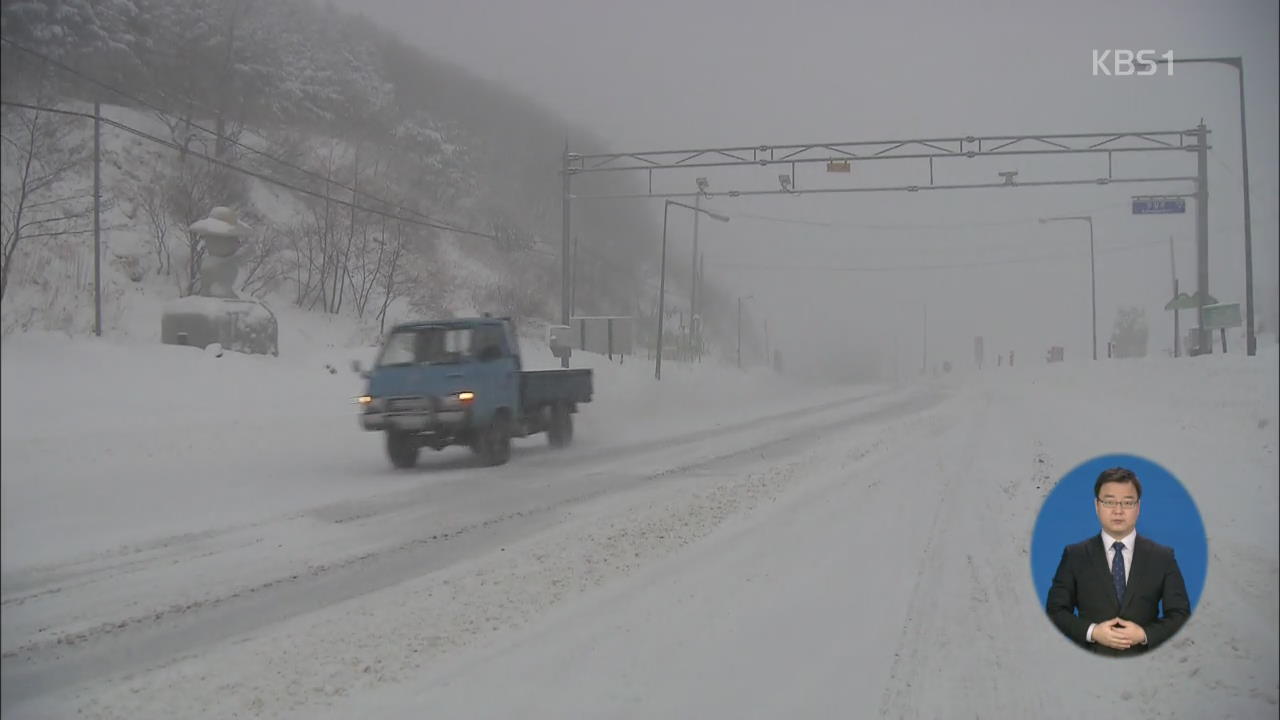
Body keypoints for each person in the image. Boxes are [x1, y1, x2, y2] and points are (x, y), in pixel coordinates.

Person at [1046, 467, 1191, 656]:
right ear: (1096, 506)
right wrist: (1093, 632)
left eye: (1127, 503)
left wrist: (1144, 634)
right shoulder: (1075, 555)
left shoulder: (1162, 557)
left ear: (1138, 507)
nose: (1118, 510)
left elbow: (1180, 614)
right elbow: (1055, 610)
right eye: (1109, 502)